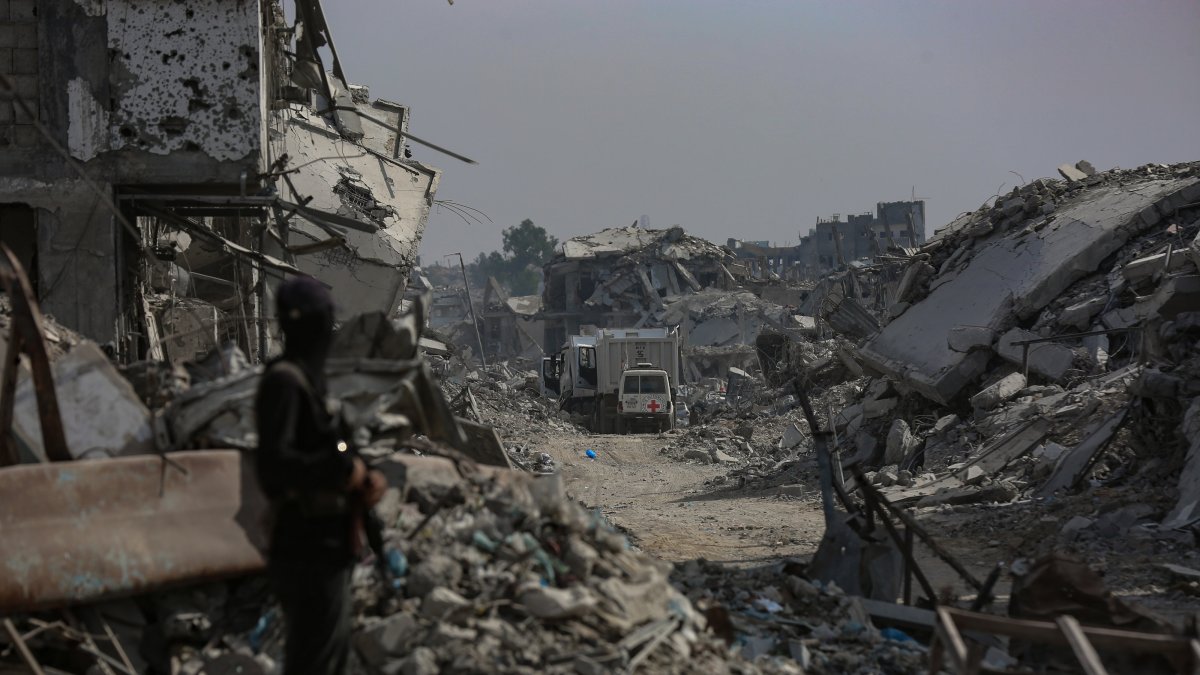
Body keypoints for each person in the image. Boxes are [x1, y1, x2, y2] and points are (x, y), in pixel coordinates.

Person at [255, 276, 386, 675]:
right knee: (314, 662)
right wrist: (343, 470)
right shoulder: (285, 384)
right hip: (306, 546)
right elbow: (275, 466)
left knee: (330, 659)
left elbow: (334, 448)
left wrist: (364, 474)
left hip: (326, 546)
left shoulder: (310, 385)